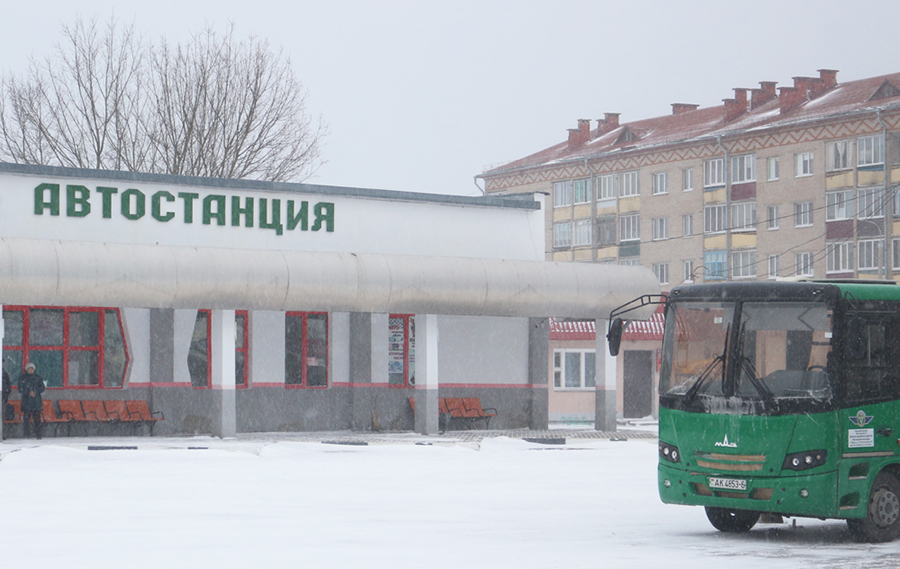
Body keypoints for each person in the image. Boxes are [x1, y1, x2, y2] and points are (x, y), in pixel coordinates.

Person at [17, 362, 45, 439]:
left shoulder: (38, 377)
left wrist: (35, 391)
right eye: (29, 369)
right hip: (26, 402)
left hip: (36, 402)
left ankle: (38, 435)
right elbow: (20, 388)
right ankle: (26, 435)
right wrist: (28, 392)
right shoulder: (22, 378)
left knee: (37, 419)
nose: (30, 370)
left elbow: (42, 387)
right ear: (26, 370)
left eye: (32, 369)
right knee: (26, 420)